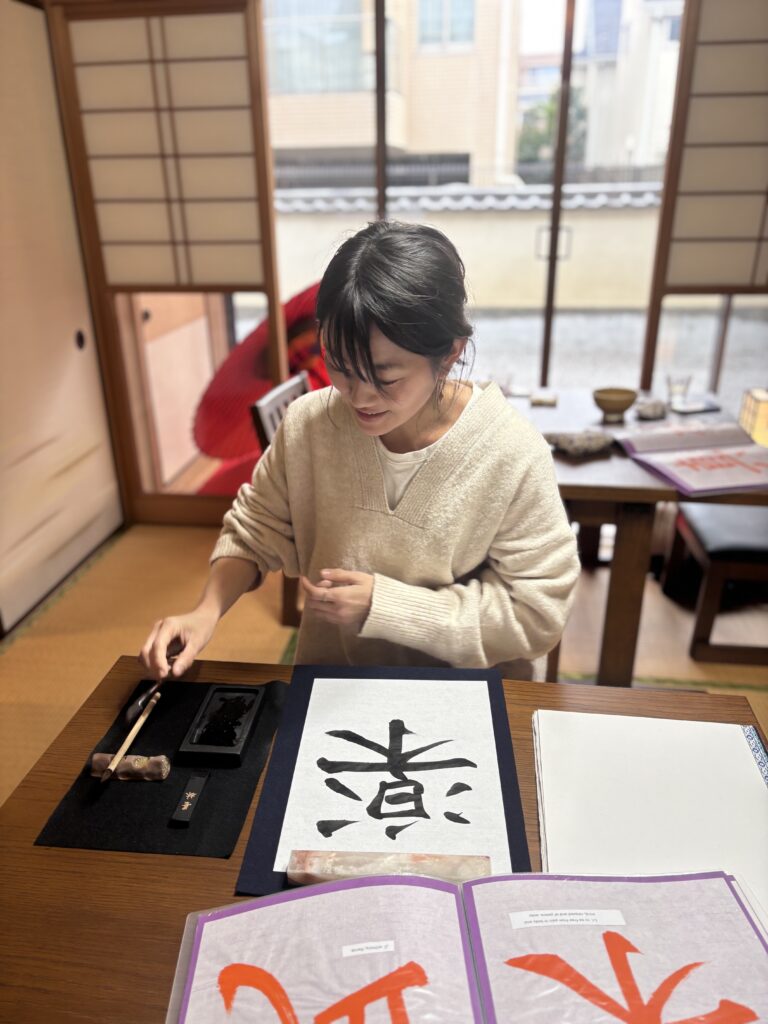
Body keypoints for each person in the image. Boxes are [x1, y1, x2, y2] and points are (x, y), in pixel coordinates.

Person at [140, 221, 579, 681]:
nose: (359, 397)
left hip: (466, 693)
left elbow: (537, 614)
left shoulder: (509, 451)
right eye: (340, 367)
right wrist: (205, 611)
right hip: (333, 682)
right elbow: (256, 530)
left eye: (386, 378)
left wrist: (388, 607)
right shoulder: (310, 425)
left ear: (450, 353)